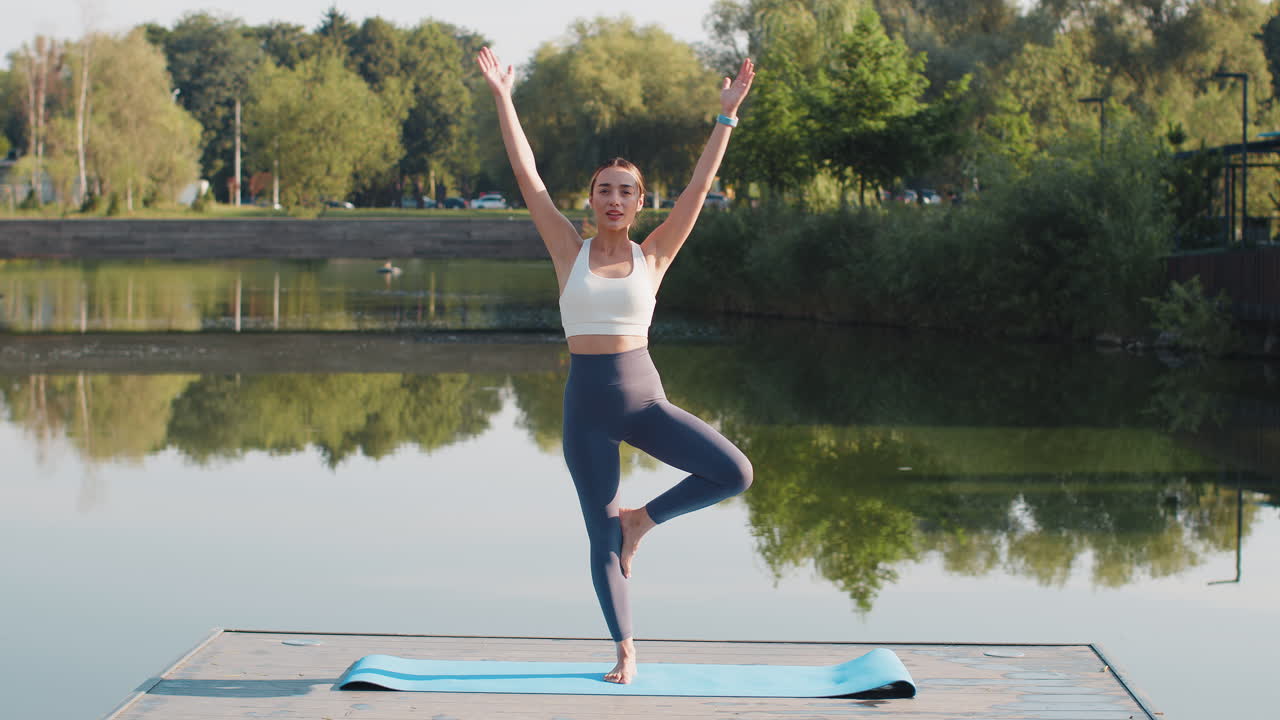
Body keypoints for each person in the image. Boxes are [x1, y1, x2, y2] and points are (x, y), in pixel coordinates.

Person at [476, 47, 757, 684]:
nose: (614, 198)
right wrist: (503, 97)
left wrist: (726, 118)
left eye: (626, 192)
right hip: (587, 414)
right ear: (592, 198)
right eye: (605, 189)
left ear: (637, 204)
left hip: (644, 402)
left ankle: (643, 521)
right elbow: (526, 174)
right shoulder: (566, 250)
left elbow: (698, 190)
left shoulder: (654, 254)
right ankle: (626, 648)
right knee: (599, 536)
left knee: (734, 471)